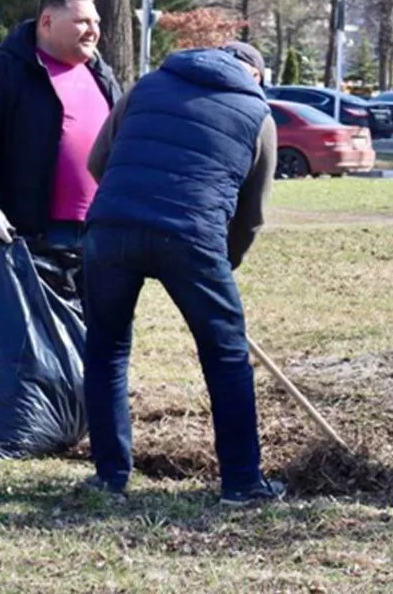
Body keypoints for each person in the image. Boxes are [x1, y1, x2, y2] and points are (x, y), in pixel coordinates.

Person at [80, 42, 280, 504]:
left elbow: (97, 161)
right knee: (226, 357)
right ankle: (243, 483)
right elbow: (251, 216)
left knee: (106, 349)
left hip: (109, 229)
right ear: (257, 76)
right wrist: (224, 265)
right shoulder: (258, 114)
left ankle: (109, 476)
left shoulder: (148, 85)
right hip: (191, 238)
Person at [0, 0, 120, 449]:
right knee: (6, 322)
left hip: (95, 228)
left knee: (80, 324)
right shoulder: (1, 72)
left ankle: (64, 408)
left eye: (96, 21)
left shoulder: (101, 75)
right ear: (46, 22)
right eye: (82, 20)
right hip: (25, 225)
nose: (93, 30)